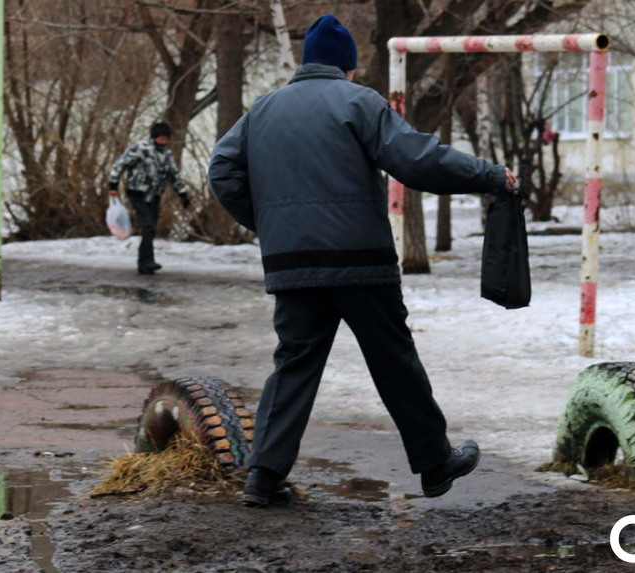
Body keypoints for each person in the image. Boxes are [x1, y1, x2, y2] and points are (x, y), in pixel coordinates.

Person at [208, 14, 518, 507]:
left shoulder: (263, 109)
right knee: (393, 358)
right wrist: (487, 175)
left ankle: (263, 476)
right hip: (359, 260)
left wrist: (270, 223)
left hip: (292, 265)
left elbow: (221, 170)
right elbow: (416, 159)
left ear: (308, 62)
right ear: (346, 67)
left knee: (294, 364)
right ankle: (435, 463)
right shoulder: (359, 101)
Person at [109, 122, 191, 275]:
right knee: (148, 226)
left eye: (166, 139)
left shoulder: (167, 154)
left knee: (151, 228)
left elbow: (174, 175)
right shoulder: (140, 148)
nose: (164, 142)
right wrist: (113, 185)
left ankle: (146, 261)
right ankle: (146, 262)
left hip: (154, 195)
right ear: (154, 137)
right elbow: (119, 165)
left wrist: (183, 194)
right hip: (136, 192)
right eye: (161, 138)